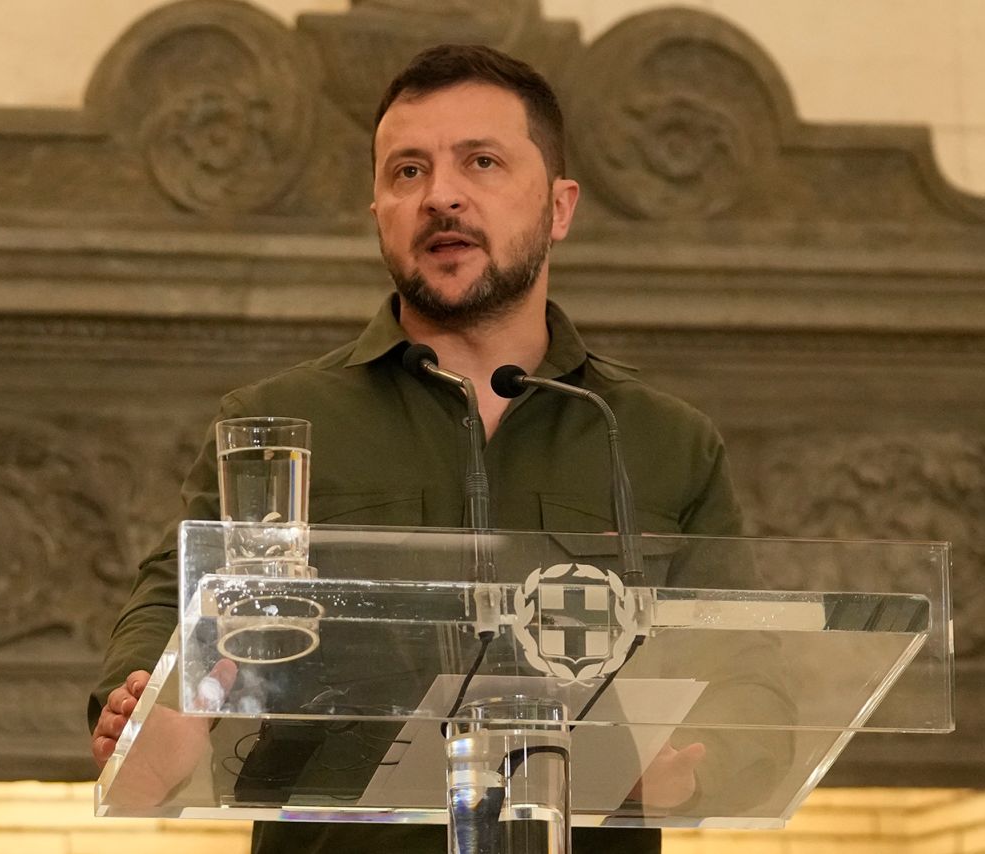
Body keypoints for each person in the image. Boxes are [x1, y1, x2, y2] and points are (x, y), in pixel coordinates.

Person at [90, 44, 747, 853]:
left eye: (481, 162)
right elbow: (175, 606)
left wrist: (703, 766)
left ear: (560, 206)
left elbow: (751, 674)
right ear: (377, 211)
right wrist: (145, 700)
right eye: (407, 172)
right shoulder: (278, 423)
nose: (440, 196)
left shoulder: (663, 441)